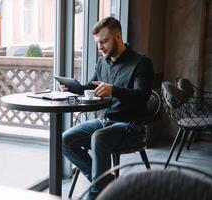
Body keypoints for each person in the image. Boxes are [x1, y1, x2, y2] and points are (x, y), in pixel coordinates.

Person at [61, 16, 154, 199]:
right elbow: (91, 87)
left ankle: (95, 195)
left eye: (104, 41)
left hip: (132, 125)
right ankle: (106, 184)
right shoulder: (103, 62)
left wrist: (114, 90)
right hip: (106, 121)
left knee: (99, 137)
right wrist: (75, 88)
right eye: (97, 43)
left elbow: (142, 97)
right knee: (65, 140)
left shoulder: (141, 63)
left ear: (118, 37)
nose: (100, 47)